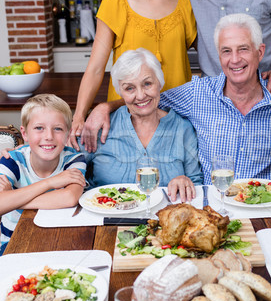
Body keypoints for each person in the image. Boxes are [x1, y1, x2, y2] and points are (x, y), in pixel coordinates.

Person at [75, 14, 271, 183]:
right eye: (226, 51)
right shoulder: (197, 94)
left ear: (260, 52)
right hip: (213, 206)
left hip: (264, 205)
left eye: (243, 49)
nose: (235, 60)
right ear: (218, 57)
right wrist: (105, 105)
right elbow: (145, 97)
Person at [69, 0, 197, 146]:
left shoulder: (187, 2)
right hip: (127, 119)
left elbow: (216, 54)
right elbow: (96, 68)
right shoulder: (115, 1)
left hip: (178, 122)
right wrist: (79, 115)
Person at [81, 48, 202, 201]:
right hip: (105, 218)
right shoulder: (100, 125)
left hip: (163, 219)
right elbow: (71, 170)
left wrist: (186, 182)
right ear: (120, 92)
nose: (140, 95)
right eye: (129, 88)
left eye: (147, 84)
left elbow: (196, 182)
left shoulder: (182, 128)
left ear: (159, 83)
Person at [0, 94, 86, 254]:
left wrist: (12, 198)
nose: (48, 136)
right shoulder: (11, 160)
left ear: (68, 134)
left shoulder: (73, 159)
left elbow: (69, 198)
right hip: (11, 248)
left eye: (58, 129)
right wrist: (50, 182)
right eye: (39, 128)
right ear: (24, 133)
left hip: (58, 244)